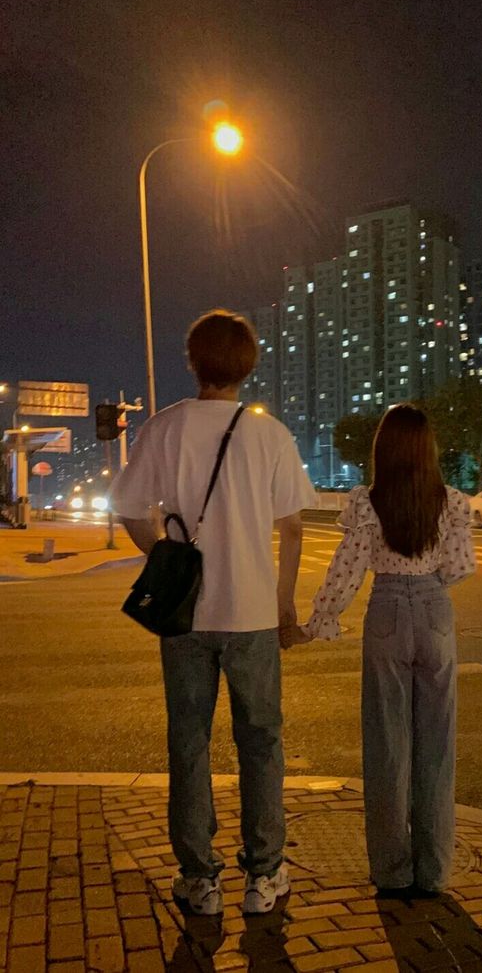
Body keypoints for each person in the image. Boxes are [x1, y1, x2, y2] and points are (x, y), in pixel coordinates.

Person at [110, 309, 314, 916]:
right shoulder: (269, 434)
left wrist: (170, 561)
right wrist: (284, 604)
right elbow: (294, 528)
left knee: (189, 743)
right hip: (252, 615)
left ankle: (200, 879)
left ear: (193, 360)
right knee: (261, 743)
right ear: (247, 365)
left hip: (186, 618)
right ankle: (264, 875)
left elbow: (128, 509)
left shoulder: (164, 428)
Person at [298, 404, 475, 896]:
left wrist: (320, 620)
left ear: (383, 449)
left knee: (386, 744)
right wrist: (430, 581)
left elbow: (348, 568)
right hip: (436, 611)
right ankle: (434, 870)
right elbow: (460, 566)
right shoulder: (452, 503)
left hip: (388, 610)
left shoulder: (366, 503)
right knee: (437, 746)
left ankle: (393, 870)